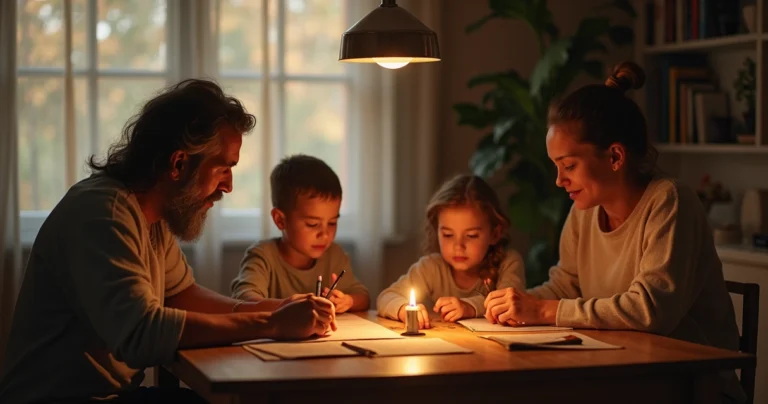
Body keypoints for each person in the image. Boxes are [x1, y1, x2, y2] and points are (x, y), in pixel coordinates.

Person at [0, 79, 336, 404]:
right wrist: (272, 324)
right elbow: (141, 333)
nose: (229, 186)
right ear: (178, 163)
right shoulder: (104, 213)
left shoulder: (150, 214)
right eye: (223, 169)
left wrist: (278, 306)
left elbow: (181, 296)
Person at [483, 62, 744, 403]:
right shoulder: (585, 210)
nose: (559, 181)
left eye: (569, 166)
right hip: (620, 371)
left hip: (691, 384)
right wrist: (487, 306)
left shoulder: (669, 201)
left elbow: (648, 310)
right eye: (556, 167)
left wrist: (543, 311)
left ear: (616, 156)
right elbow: (564, 286)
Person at [377, 174, 525, 329]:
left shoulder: (508, 262)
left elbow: (510, 304)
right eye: (448, 235)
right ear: (437, 231)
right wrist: (402, 309)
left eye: (471, 236)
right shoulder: (431, 267)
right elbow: (386, 297)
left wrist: (470, 307)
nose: (458, 246)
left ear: (494, 234)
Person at [231, 154, 370, 314]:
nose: (324, 234)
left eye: (332, 222)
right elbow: (244, 299)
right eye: (312, 224)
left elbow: (363, 297)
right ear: (280, 220)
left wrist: (348, 301)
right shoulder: (263, 257)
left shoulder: (334, 255)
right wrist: (289, 305)